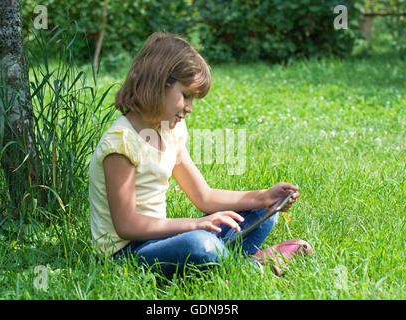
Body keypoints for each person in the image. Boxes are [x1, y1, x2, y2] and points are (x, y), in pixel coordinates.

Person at [89, 31, 313, 277]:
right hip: (127, 254)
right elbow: (126, 226)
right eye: (186, 96)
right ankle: (254, 267)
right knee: (199, 244)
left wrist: (264, 197)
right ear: (158, 83)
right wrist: (194, 226)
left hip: (162, 239)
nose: (190, 108)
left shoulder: (169, 131)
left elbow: (204, 197)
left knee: (265, 213)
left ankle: (228, 260)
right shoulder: (121, 143)